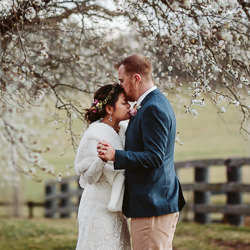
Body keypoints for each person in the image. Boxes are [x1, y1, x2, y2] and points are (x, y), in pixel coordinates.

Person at [97, 54, 186, 250]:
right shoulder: (151, 104)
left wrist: (115, 156)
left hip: (152, 205)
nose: (120, 86)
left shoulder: (153, 108)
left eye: (122, 80)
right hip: (153, 203)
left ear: (136, 78)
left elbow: (155, 157)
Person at [74, 83, 131, 250]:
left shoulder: (126, 131)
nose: (129, 106)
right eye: (124, 102)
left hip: (118, 208)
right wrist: (102, 160)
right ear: (109, 109)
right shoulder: (95, 134)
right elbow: (88, 178)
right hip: (98, 209)